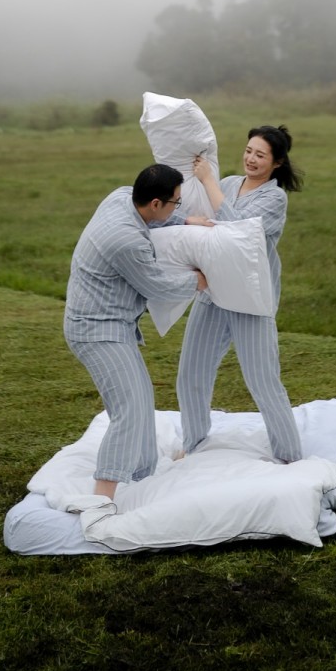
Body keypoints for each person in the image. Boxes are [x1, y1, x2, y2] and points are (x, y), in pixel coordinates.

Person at [64, 162, 209, 500]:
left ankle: (141, 475)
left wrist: (184, 219)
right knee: (129, 408)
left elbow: (158, 219)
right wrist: (198, 281)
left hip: (111, 323)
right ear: (155, 203)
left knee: (142, 399)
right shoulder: (126, 241)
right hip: (96, 330)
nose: (177, 207)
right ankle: (102, 496)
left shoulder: (121, 197)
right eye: (175, 202)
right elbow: (156, 286)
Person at [177, 124, 303, 464]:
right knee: (191, 372)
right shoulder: (230, 184)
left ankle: (289, 456)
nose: (251, 159)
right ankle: (194, 443)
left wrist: (208, 181)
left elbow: (237, 230)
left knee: (262, 380)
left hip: (250, 296)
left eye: (260, 155)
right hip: (214, 290)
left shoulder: (274, 198)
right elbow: (205, 221)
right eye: (249, 151)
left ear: (277, 163)